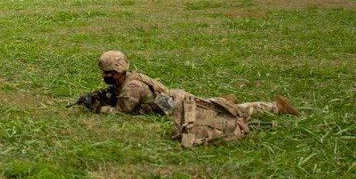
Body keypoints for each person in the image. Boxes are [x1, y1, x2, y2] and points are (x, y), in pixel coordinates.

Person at [89, 50, 300, 119]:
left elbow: (123, 111)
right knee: (214, 106)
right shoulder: (127, 80)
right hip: (177, 99)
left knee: (227, 112)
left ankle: (275, 107)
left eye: (108, 73)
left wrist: (100, 108)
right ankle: (219, 100)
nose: (105, 76)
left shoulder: (131, 86)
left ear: (119, 71)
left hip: (179, 105)